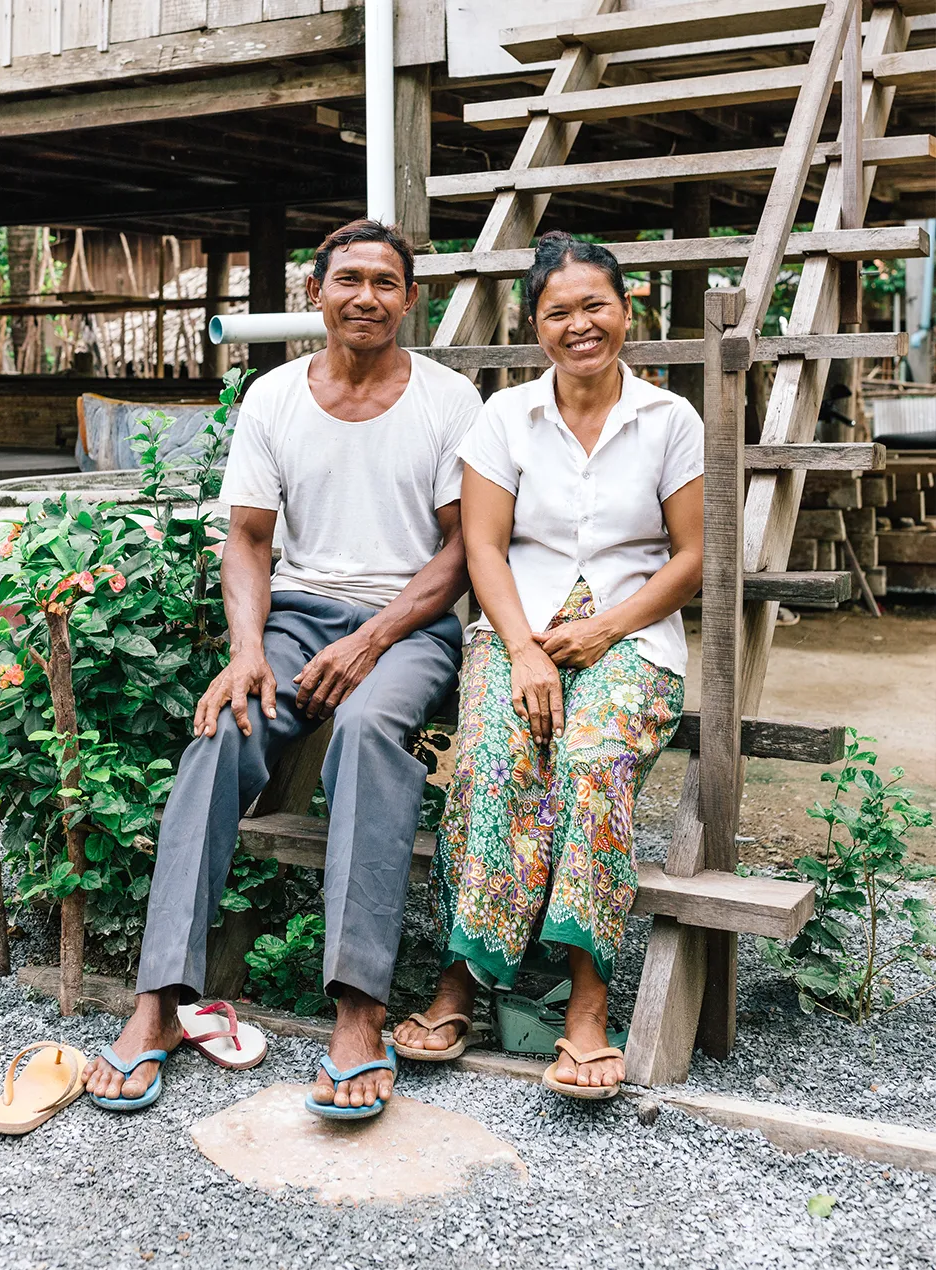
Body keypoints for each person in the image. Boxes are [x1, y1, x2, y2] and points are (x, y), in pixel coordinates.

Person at [82, 219, 482, 1118]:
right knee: (221, 738)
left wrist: (372, 637)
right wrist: (248, 651)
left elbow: (462, 553)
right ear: (317, 295)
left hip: (408, 626)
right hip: (294, 623)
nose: (367, 296)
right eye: (349, 280)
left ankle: (358, 1011)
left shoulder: (451, 401)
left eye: (387, 282)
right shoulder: (272, 397)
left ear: (410, 300)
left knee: (374, 736)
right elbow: (248, 542)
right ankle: (157, 1006)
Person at [394, 232, 704, 1098]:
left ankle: (586, 1006)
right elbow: (484, 547)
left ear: (625, 311)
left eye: (594, 305)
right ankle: (463, 978)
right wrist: (525, 649)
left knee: (593, 764)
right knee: (493, 760)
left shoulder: (670, 420)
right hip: (513, 630)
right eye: (559, 311)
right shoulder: (505, 418)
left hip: (632, 637)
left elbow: (691, 559)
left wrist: (604, 630)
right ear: (538, 326)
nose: (580, 325)